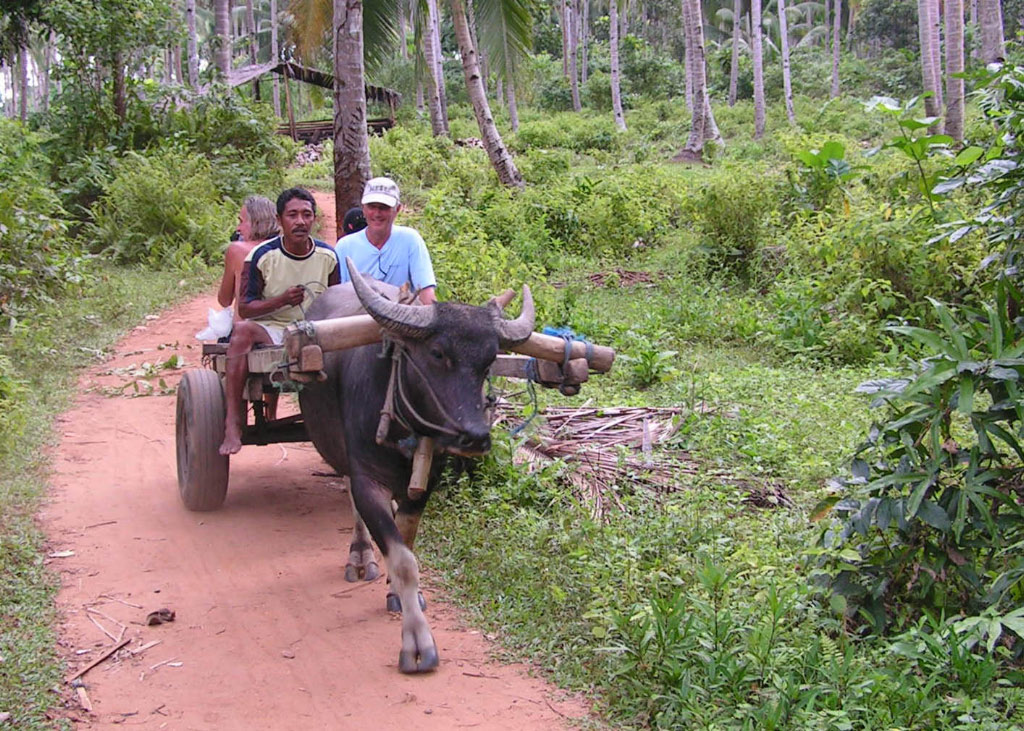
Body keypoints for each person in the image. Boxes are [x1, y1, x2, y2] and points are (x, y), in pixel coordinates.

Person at [219, 188, 341, 456]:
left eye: (307, 215)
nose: (300, 221)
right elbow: (246, 308)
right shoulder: (262, 256)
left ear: (314, 219)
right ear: (280, 219)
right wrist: (282, 300)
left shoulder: (328, 256)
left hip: (315, 329)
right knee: (241, 331)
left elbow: (336, 301)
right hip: (272, 329)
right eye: (293, 215)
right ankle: (232, 422)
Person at [335, 177, 437, 305]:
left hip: (402, 317)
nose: (377, 214)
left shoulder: (410, 240)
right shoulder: (345, 246)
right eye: (372, 207)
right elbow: (337, 296)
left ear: (397, 209)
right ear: (364, 209)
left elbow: (425, 290)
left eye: (384, 207)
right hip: (355, 315)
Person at [217, 195, 281, 319]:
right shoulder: (286, 248)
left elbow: (224, 301)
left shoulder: (237, 250)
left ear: (256, 222)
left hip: (245, 333)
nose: (238, 229)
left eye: (241, 222)